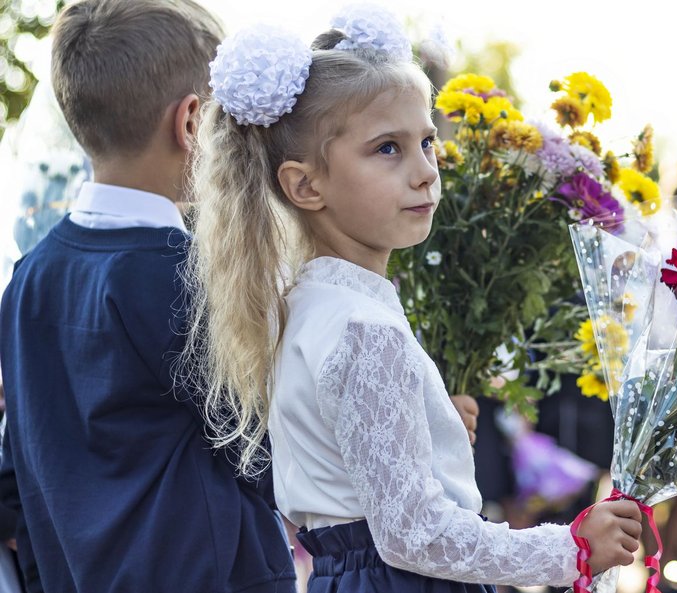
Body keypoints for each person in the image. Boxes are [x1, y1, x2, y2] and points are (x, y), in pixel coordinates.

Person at [179, 6, 643, 592]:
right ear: (304, 184)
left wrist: (432, 428)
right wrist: (571, 548)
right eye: (387, 149)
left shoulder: (310, 304)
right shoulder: (360, 325)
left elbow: (358, 477)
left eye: (426, 142)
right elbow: (415, 533)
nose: (425, 171)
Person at [0, 1, 297, 591]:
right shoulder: (181, 277)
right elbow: (266, 452)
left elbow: (17, 471)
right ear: (191, 123)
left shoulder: (27, 280)